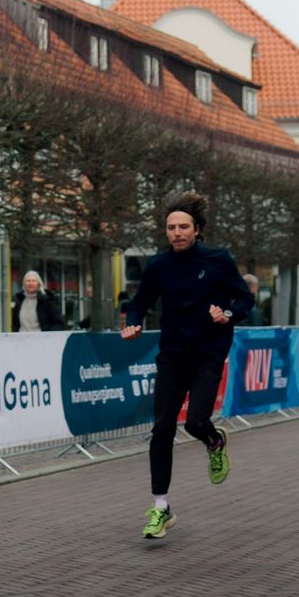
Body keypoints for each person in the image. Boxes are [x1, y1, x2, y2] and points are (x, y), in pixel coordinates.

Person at [121, 191, 253, 540]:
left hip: (208, 352)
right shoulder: (159, 266)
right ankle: (160, 507)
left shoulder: (218, 260)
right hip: (173, 354)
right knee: (162, 426)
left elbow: (245, 298)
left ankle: (213, 441)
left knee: (195, 421)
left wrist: (226, 313)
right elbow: (139, 303)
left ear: (197, 230)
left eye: (183, 227)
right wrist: (133, 322)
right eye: (171, 227)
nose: (177, 233)